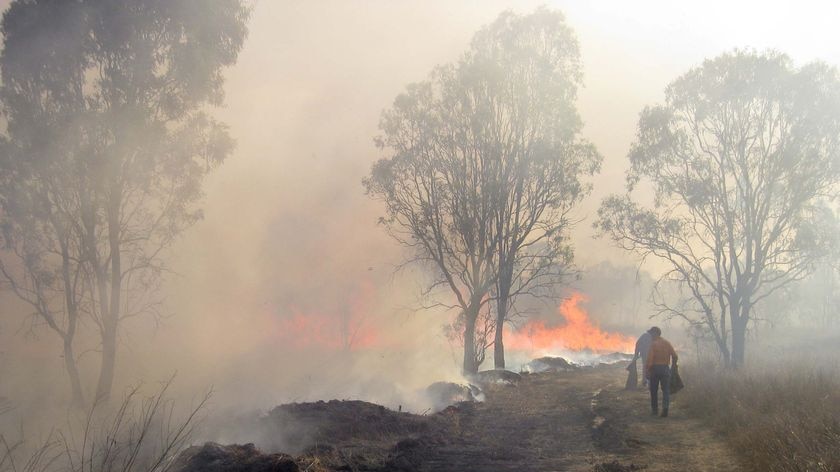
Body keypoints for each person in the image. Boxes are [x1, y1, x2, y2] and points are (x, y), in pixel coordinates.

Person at [645, 326, 678, 417]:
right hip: (665, 369)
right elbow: (675, 356)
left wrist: (647, 370)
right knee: (666, 390)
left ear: (655, 334)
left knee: (653, 391)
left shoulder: (653, 344)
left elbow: (650, 360)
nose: (650, 335)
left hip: (655, 369)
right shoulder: (667, 343)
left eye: (651, 333)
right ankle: (665, 409)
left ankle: (655, 410)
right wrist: (673, 367)